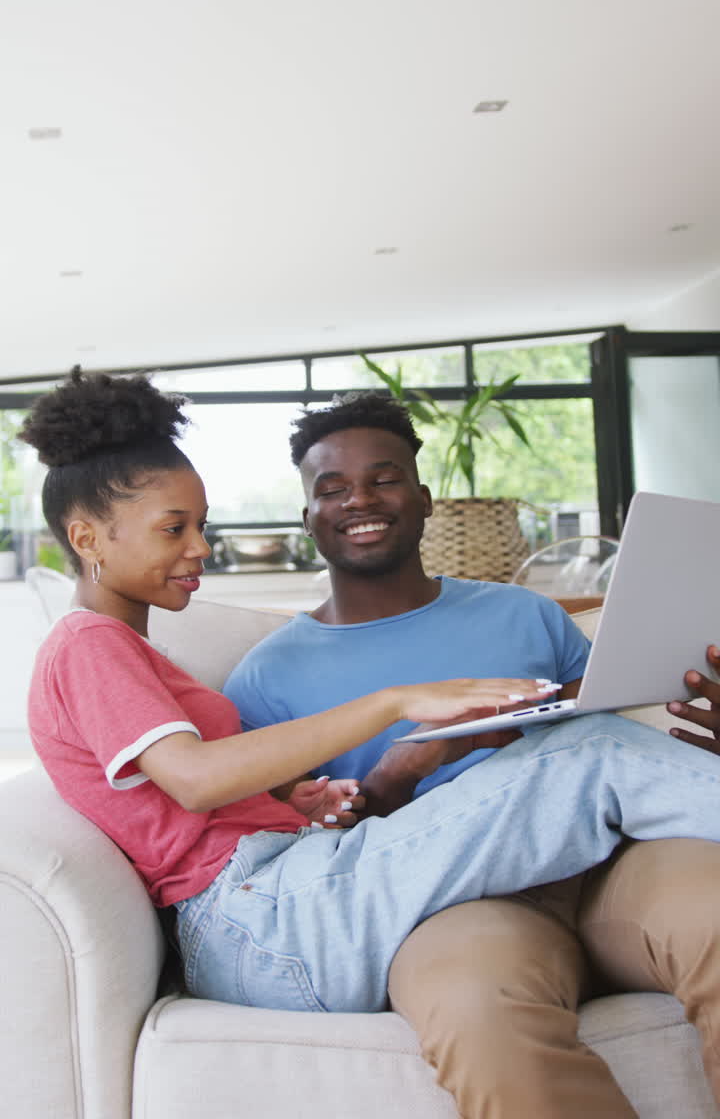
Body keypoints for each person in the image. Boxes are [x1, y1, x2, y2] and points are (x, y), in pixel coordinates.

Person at [21, 372, 720, 1037]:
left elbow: (188, 806)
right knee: (589, 756)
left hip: (286, 892)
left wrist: (293, 805)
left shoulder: (130, 654)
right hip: (258, 921)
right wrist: (393, 702)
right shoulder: (88, 645)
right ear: (86, 539)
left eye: (201, 524)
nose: (200, 547)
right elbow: (195, 776)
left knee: (576, 747)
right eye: (174, 529)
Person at [224, 391, 720, 1118]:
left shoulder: (524, 614)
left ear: (425, 500)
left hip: (611, 864)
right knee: (478, 1012)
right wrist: (403, 769)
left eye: (384, 477)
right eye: (331, 488)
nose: (359, 499)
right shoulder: (266, 678)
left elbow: (616, 736)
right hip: (454, 903)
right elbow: (304, 861)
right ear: (308, 520)